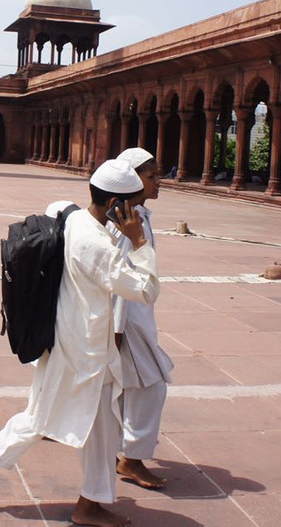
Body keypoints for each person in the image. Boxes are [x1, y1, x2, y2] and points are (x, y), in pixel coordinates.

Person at [0, 159, 160, 527]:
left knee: (62, 419)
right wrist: (139, 241)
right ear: (117, 205)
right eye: (133, 205)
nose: (137, 213)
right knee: (81, 423)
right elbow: (145, 290)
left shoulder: (78, 220)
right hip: (85, 351)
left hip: (69, 340)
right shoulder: (98, 244)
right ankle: (87, 505)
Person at [111, 148, 175, 491]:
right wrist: (118, 329)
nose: (158, 181)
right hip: (129, 321)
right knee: (152, 388)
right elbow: (118, 277)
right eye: (151, 176)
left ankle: (118, 449)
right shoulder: (126, 220)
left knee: (126, 389)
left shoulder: (138, 214)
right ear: (132, 179)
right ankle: (131, 459)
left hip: (138, 317)